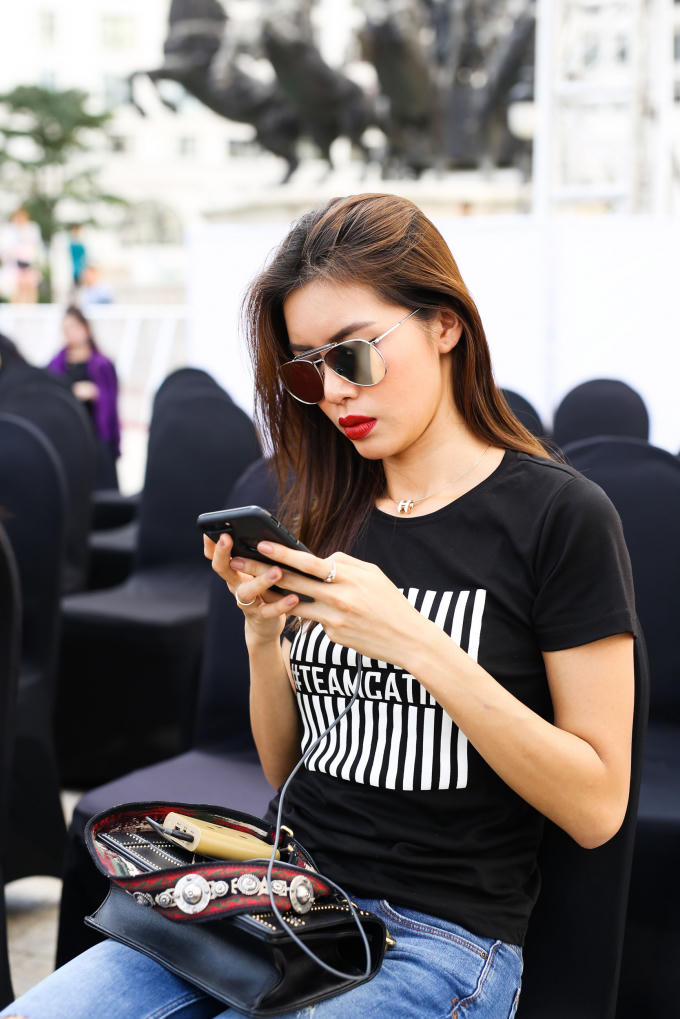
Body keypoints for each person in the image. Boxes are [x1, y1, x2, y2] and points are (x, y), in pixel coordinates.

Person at [0, 194, 637, 1018]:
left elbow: (596, 806)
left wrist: (416, 641)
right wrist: (262, 634)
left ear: (445, 325)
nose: (333, 391)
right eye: (307, 369)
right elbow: (288, 769)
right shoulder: (324, 507)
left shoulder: (560, 516)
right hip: (278, 896)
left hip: (442, 935)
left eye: (354, 354)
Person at [46, 304, 120, 488]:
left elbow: (112, 404)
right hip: (69, 439)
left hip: (97, 436)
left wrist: (96, 393)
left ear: (85, 328)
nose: (70, 333)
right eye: (66, 329)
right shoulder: (56, 364)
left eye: (73, 327)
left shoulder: (101, 364)